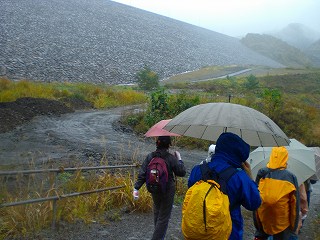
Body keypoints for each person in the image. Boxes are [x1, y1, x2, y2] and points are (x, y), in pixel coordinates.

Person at [188, 132, 261, 239]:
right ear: (238, 156)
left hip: (198, 229)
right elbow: (255, 203)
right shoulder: (240, 177)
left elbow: (191, 191)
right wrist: (250, 177)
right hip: (228, 233)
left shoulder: (197, 170)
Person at [133, 136, 186, 240]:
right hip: (168, 189)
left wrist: (136, 188)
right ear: (168, 145)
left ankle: (158, 236)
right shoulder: (171, 158)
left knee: (157, 212)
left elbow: (142, 173)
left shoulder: (150, 156)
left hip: (153, 188)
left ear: (157, 143)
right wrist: (179, 158)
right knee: (164, 217)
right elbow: (182, 172)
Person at [253, 146, 300, 240]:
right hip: (282, 223)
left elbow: (255, 198)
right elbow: (294, 204)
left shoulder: (261, 173)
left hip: (263, 219)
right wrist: (293, 227)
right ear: (285, 158)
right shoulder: (290, 177)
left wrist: (257, 223)